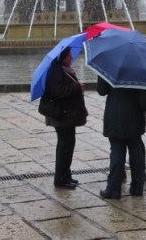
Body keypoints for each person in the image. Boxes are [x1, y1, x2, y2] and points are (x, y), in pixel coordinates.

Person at [97, 77, 146, 199]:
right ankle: (137, 187)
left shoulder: (109, 68)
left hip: (115, 114)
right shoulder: (139, 69)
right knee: (136, 149)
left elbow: (101, 90)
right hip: (135, 115)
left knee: (117, 150)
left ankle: (113, 189)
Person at [42, 48, 87, 189]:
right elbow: (58, 91)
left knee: (67, 145)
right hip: (61, 115)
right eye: (69, 55)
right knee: (64, 147)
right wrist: (76, 87)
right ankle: (61, 180)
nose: (71, 57)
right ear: (62, 57)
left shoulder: (63, 69)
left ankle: (66, 175)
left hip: (67, 115)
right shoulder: (55, 71)